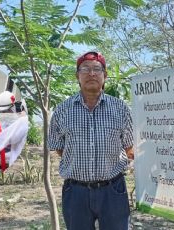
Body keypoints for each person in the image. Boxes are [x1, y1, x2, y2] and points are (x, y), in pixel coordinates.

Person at [48, 51, 134, 230]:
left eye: (97, 69)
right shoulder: (62, 110)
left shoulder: (121, 108)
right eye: (85, 69)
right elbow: (60, 149)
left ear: (105, 75)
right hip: (76, 192)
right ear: (77, 76)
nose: (91, 74)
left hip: (113, 190)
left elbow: (129, 147)